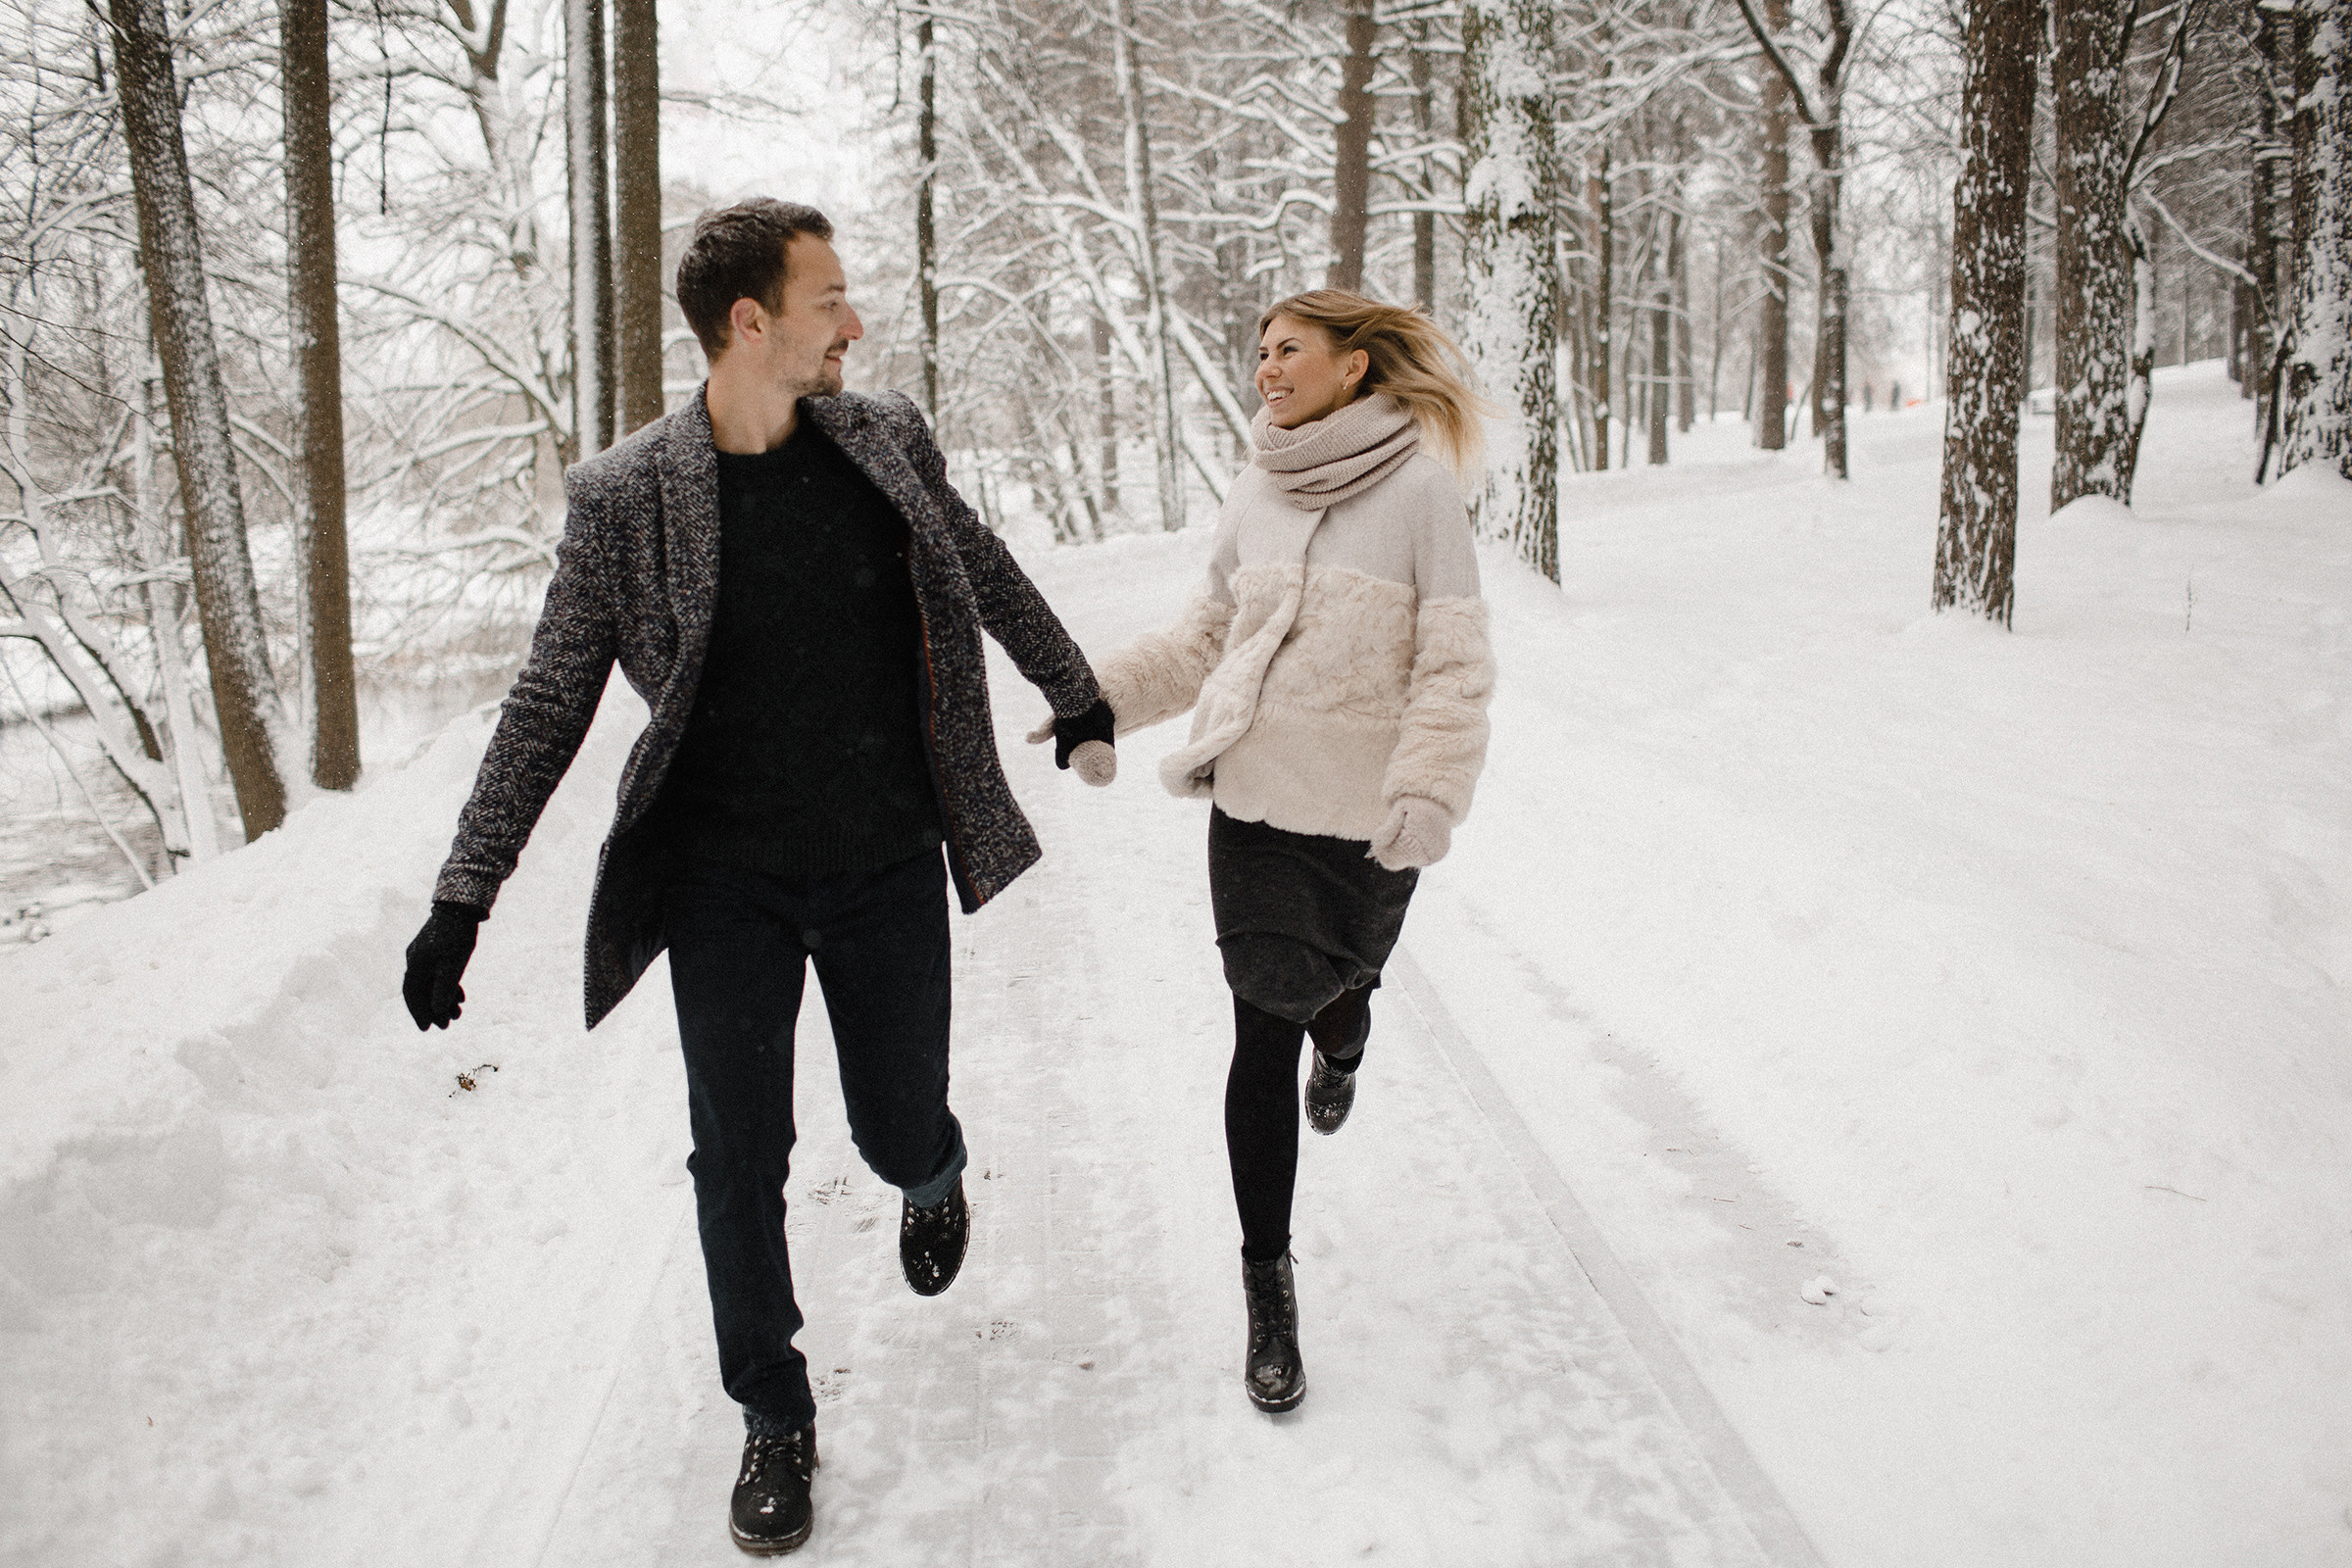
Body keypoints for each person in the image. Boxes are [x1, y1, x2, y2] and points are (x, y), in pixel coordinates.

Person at [400, 198, 1116, 1556]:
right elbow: (546, 703)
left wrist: (1073, 692)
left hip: (886, 860)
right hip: (724, 882)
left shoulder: (881, 438)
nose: (854, 324)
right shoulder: (626, 502)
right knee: (739, 1155)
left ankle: (932, 1167)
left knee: (895, 1119)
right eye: (831, 299)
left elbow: (979, 565)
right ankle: (773, 1412)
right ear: (751, 323)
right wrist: (463, 894)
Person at [1059, 289, 1494, 1412]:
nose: (1265, 367)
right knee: (1261, 1023)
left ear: (1354, 366)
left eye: (1288, 349)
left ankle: (1344, 1040)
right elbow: (1209, 634)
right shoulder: (1257, 486)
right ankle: (1269, 1286)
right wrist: (1100, 697)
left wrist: (1430, 791)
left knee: (1339, 994)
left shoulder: (1420, 493)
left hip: (1367, 821)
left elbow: (1452, 665)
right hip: (1252, 806)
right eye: (1258, 350)